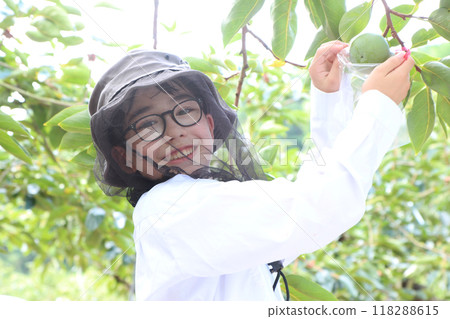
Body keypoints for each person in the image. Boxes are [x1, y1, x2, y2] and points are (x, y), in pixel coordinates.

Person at [89, 41, 415, 300]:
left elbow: (298, 219)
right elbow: (314, 209)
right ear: (123, 155)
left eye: (185, 111)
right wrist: (377, 106)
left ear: (209, 124)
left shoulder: (204, 204)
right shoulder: (169, 209)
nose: (175, 131)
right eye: (147, 124)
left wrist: (330, 98)